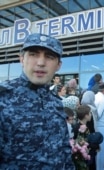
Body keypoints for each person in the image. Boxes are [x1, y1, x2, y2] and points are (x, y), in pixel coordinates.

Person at [0, 33, 74, 169]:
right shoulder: (3, 99)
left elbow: (64, 149)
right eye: (33, 54)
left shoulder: (55, 101)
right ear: (22, 59)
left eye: (49, 56)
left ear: (58, 65)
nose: (40, 63)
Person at [94, 82, 104, 170]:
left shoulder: (96, 96)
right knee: (102, 150)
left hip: (97, 126)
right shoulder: (103, 98)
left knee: (98, 150)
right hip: (101, 127)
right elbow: (98, 115)